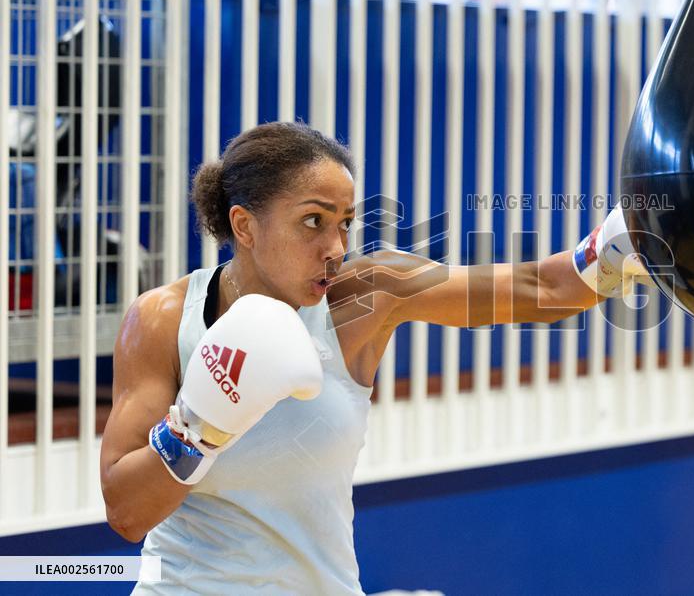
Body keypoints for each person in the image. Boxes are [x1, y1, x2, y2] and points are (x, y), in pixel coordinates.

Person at [99, 121, 648, 594]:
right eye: (313, 221)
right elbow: (126, 513)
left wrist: (625, 242)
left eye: (345, 222)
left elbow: (542, 287)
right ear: (244, 225)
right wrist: (199, 426)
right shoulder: (163, 320)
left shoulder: (366, 296)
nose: (336, 247)